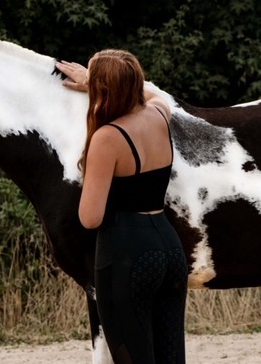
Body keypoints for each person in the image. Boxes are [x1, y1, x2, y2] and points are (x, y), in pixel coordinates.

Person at [56, 50, 188, 364]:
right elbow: (156, 95)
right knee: (171, 357)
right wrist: (97, 81)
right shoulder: (158, 115)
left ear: (102, 89)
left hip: (127, 256)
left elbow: (90, 218)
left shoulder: (107, 138)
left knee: (131, 355)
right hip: (170, 250)